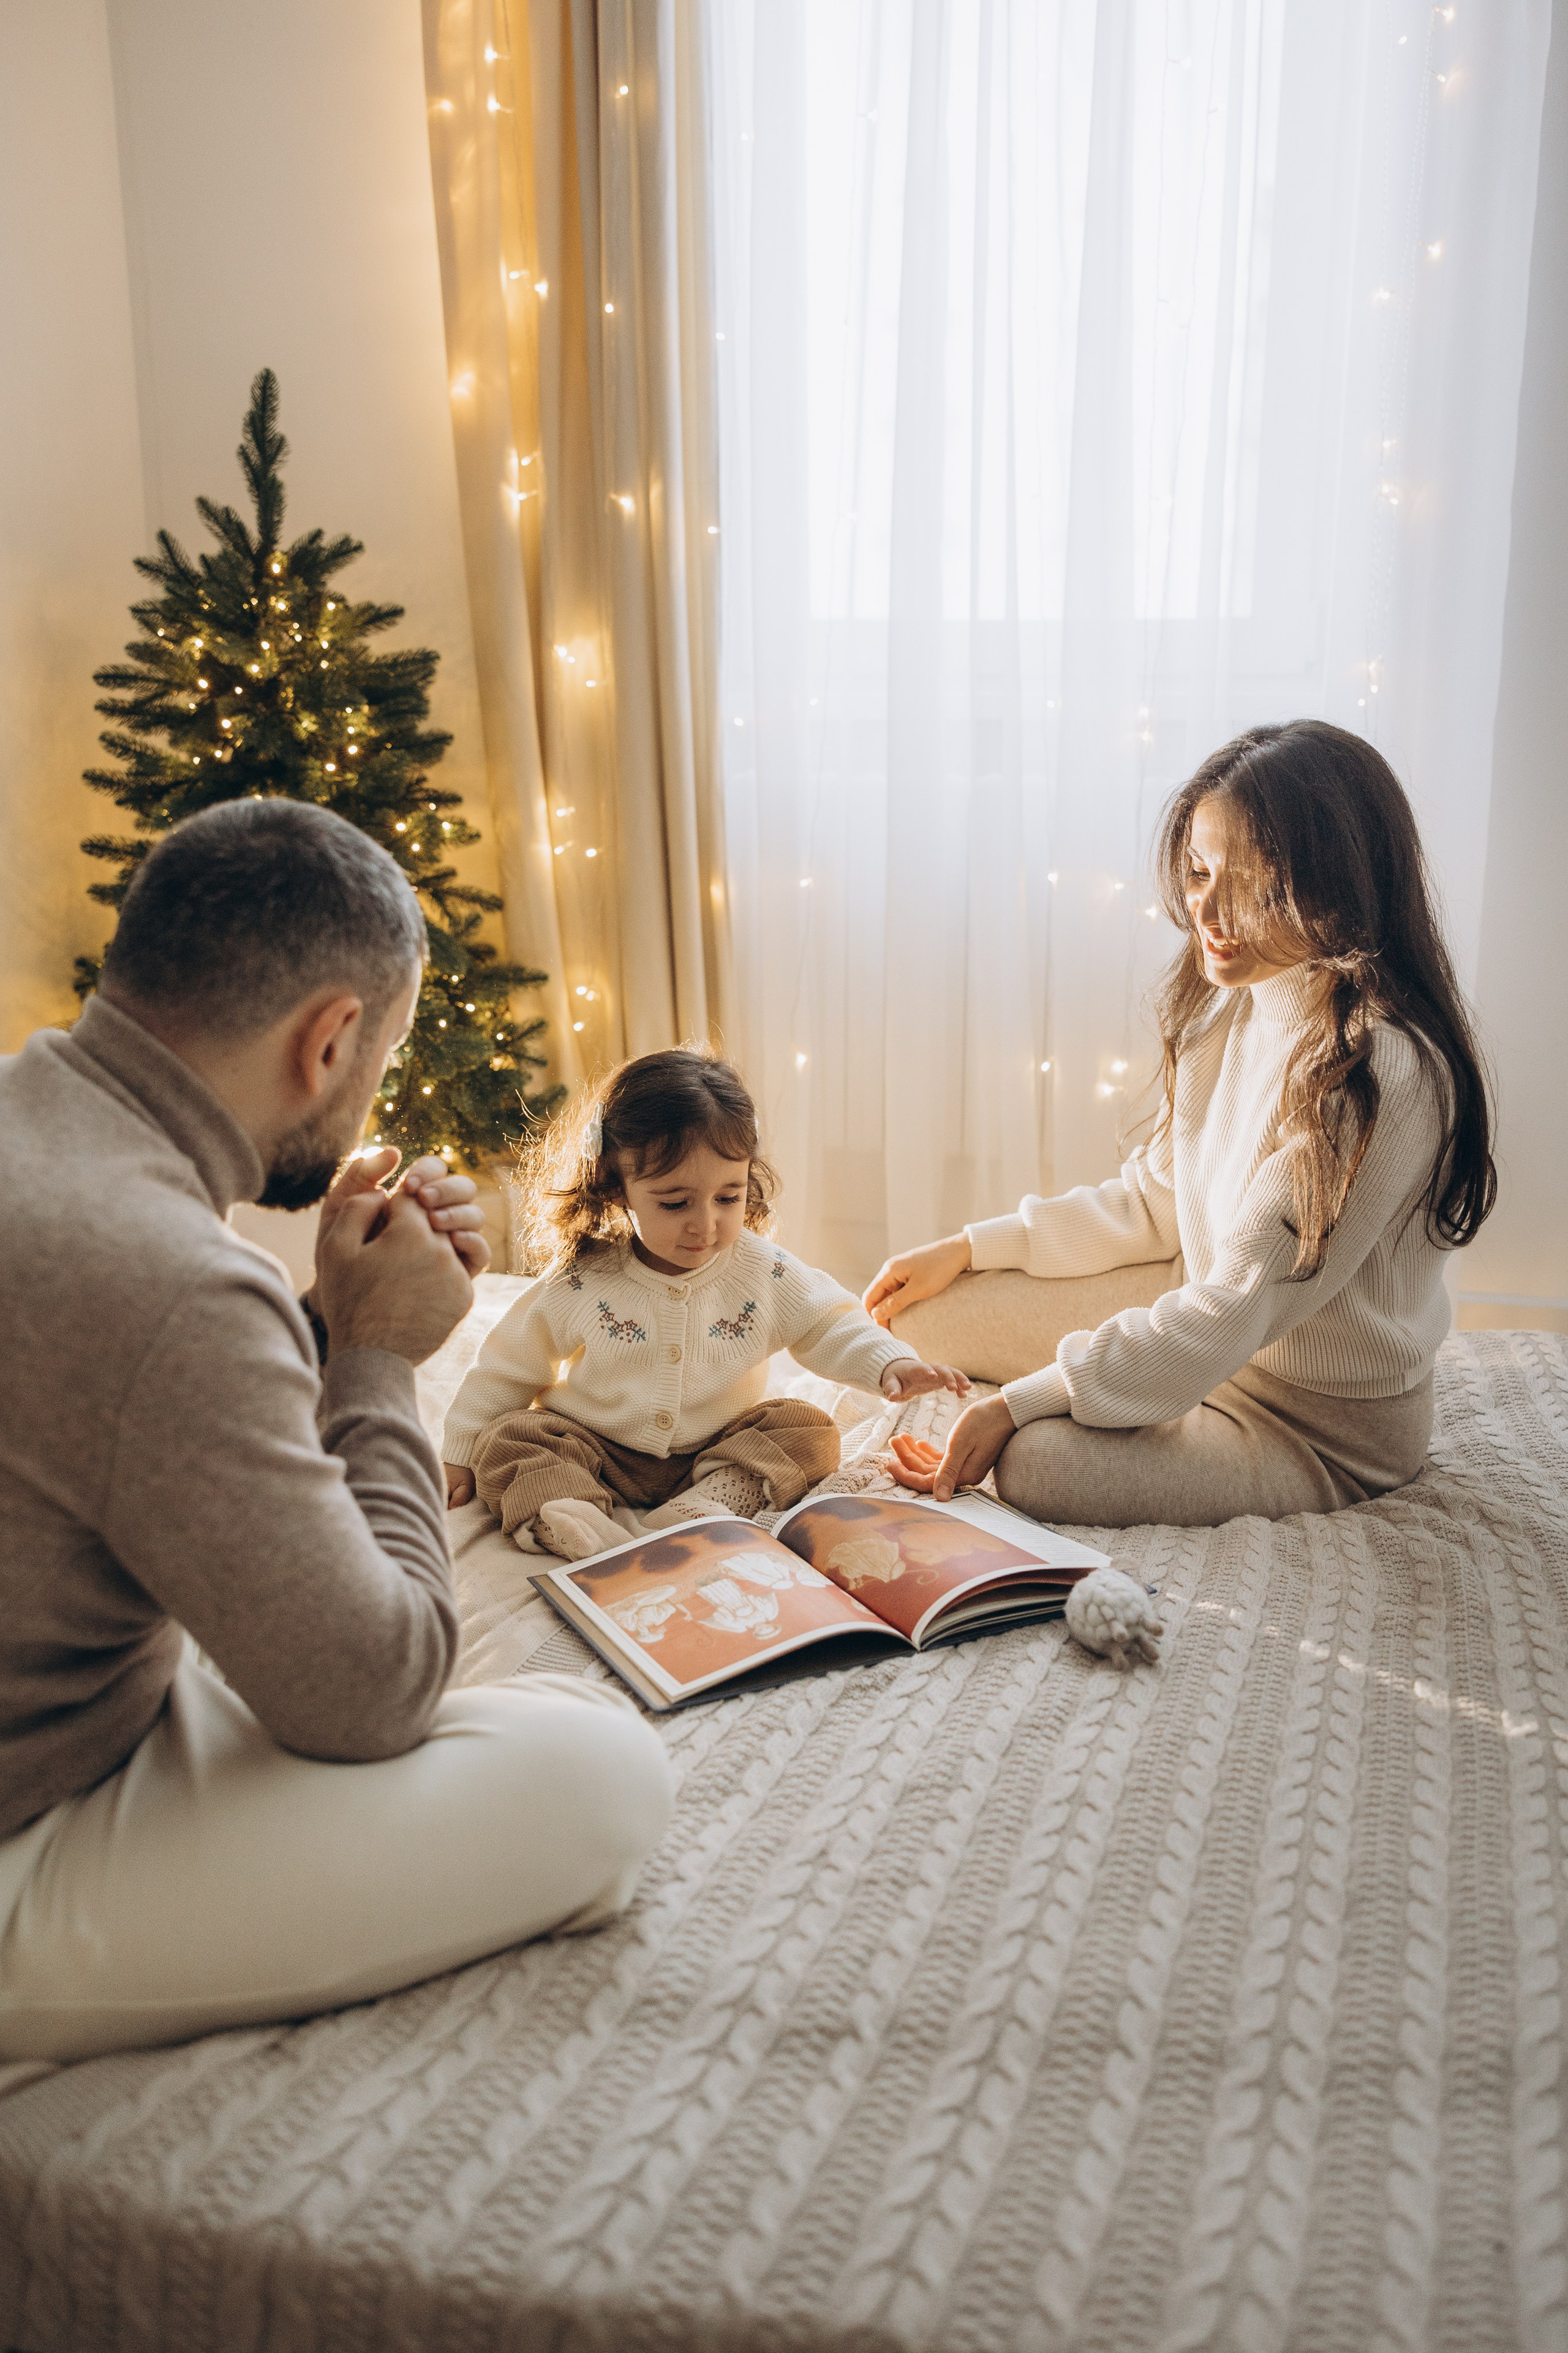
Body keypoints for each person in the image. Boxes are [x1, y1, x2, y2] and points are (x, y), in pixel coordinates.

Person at [0, 800, 672, 2078]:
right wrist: (370, 1357)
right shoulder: (175, 1280)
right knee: (600, 1768)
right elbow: (373, 1695)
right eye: (382, 1060)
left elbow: (104, 1407)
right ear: (331, 1040)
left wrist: (310, 1318)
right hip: (26, 1840)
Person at [865, 721, 1496, 1527]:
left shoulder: (1377, 1073)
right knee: (922, 1316)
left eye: (1254, 886)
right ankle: (1134, 1371)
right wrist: (969, 1247)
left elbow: (1237, 1307)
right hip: (1211, 1319)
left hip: (1314, 1427)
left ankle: (1133, 1385)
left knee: (1033, 1462)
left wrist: (1020, 1404)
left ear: (1340, 887)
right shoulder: (1225, 1007)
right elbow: (1157, 1202)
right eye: (1199, 871)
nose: (1208, 909)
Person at [442, 1050, 970, 1560]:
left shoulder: (766, 1269)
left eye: (728, 1196)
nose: (706, 1224)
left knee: (808, 1428)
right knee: (510, 1439)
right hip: (595, 1450)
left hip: (717, 1452)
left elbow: (830, 1322)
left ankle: (707, 1506)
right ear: (617, 1186)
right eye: (675, 1203)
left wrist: (891, 1362)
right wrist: (460, 1452)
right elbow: (507, 1367)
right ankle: (575, 1517)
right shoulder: (583, 1280)